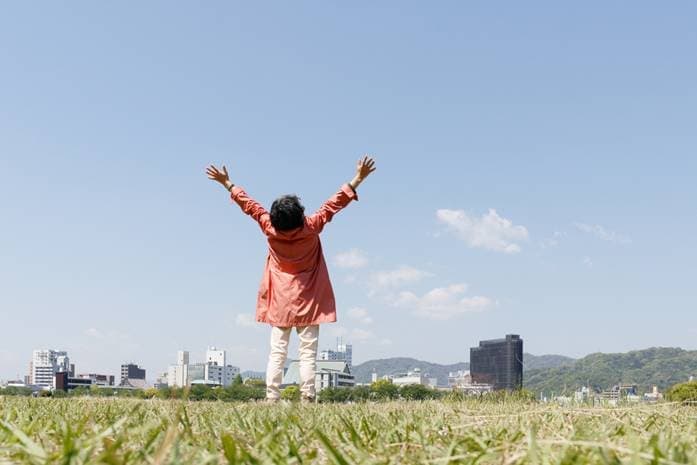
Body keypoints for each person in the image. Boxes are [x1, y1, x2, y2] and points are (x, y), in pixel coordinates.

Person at [206, 156, 376, 402]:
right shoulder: (311, 227)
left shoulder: (269, 228)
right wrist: (359, 177)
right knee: (308, 353)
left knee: (277, 353)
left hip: (280, 301)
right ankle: (308, 397)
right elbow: (334, 203)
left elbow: (250, 206)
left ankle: (272, 398)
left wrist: (227, 183)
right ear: (300, 216)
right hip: (309, 298)